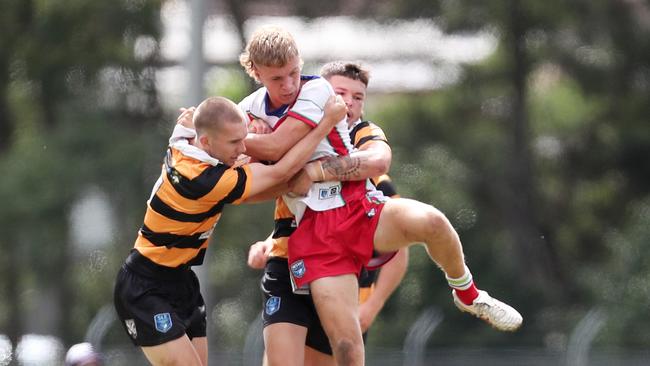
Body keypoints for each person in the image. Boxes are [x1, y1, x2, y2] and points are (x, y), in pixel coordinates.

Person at [238, 26, 523, 365]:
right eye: (277, 79)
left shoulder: (319, 95)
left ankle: (468, 293)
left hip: (359, 206)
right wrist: (213, 134)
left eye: (357, 97)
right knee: (346, 347)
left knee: (431, 221)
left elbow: (369, 160)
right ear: (256, 73)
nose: (288, 86)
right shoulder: (252, 109)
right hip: (315, 234)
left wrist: (260, 148)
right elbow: (244, 163)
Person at [113, 94, 347, 366]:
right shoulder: (203, 179)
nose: (243, 148)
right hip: (144, 286)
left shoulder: (186, 141)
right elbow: (282, 172)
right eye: (235, 142)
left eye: (243, 138)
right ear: (206, 143)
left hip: (182, 281)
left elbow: (195, 122)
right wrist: (326, 123)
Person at [246, 61, 408, 366]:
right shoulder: (297, 137)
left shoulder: (368, 158)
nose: (348, 102)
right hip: (289, 265)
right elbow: (299, 211)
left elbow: (398, 250)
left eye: (358, 97)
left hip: (341, 280)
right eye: (340, 93)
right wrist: (269, 242)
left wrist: (371, 306)